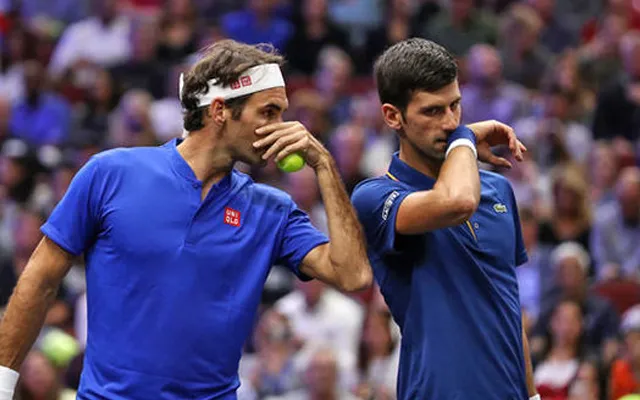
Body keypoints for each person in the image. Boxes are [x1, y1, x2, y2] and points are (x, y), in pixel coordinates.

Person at [0, 39, 372, 399]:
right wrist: (2, 383)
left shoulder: (273, 210)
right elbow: (41, 278)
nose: (282, 127)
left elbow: (352, 274)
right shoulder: (110, 173)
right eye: (269, 112)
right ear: (220, 111)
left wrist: (323, 163)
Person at [351, 38, 539, 400]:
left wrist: (532, 396)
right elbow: (456, 202)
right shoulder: (373, 197)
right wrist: (467, 139)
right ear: (393, 116)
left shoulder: (499, 190)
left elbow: (508, 307)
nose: (451, 123)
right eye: (432, 112)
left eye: (455, 106)